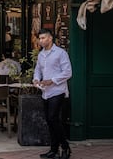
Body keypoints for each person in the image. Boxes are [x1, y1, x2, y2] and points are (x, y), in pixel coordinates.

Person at [33, 29, 72, 159]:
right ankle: (53, 150)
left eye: (43, 38)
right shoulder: (41, 54)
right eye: (40, 38)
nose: (41, 40)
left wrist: (52, 81)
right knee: (50, 121)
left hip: (58, 91)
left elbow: (68, 72)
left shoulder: (61, 53)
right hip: (45, 92)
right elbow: (38, 69)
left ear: (50, 38)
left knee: (53, 119)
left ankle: (65, 147)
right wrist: (36, 79)